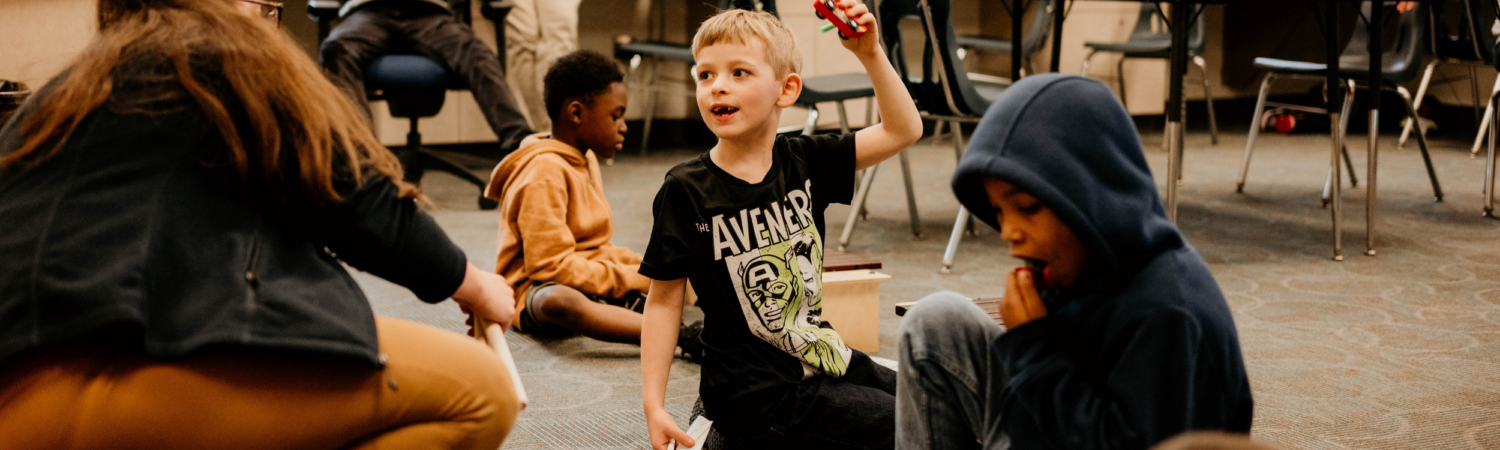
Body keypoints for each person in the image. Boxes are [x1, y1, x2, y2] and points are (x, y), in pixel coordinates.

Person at [0, 0, 520, 448]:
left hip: (18, 383)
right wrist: (473, 284)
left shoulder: (72, 87)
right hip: (98, 376)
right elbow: (354, 194)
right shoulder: (224, 54)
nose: (264, 16)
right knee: (482, 393)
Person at [895, 74, 1254, 449]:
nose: (1008, 232)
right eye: (1000, 211)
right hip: (1057, 416)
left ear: (1088, 196)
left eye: (1027, 207)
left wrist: (1034, 351)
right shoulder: (1084, 265)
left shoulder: (1167, 315)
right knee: (934, 321)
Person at [637, 4, 923, 449]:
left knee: (932, 402)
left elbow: (903, 130)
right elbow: (662, 303)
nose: (718, 87)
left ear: (786, 89)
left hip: (822, 356)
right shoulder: (685, 189)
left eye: (739, 73)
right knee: (912, 428)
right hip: (759, 398)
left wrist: (870, 53)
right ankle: (723, 430)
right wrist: (653, 406)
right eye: (705, 75)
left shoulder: (805, 160)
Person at [486, 49, 704, 357]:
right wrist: (630, 279)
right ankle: (681, 337)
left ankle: (630, 307)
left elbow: (595, 246)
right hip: (533, 288)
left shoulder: (583, 157)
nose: (624, 126)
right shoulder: (543, 173)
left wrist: (650, 270)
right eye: (615, 116)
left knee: (673, 265)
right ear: (576, 113)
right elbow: (550, 268)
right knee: (559, 302)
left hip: (585, 269)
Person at [319, 0, 533, 155]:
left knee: (475, 53)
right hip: (369, 12)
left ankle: (522, 147)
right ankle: (362, 157)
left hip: (429, 13)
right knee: (336, 50)